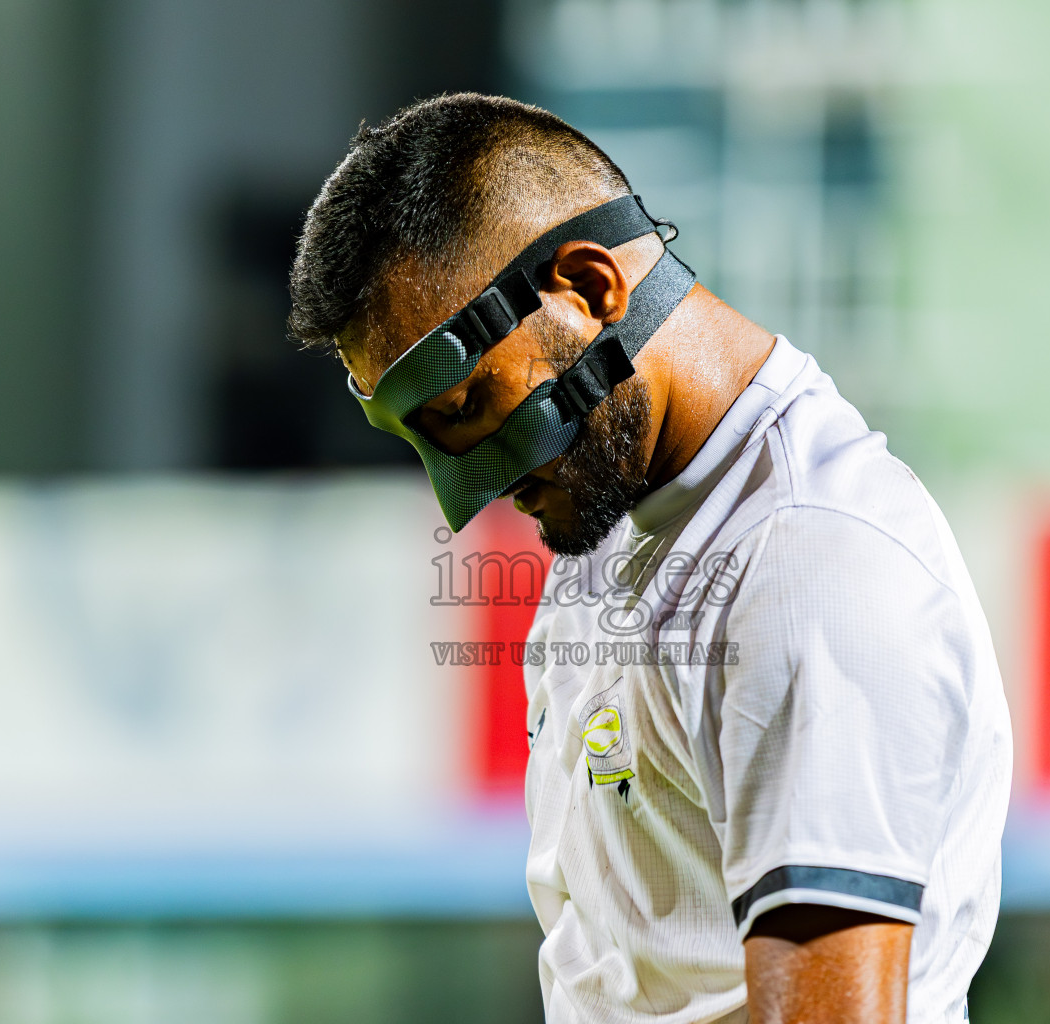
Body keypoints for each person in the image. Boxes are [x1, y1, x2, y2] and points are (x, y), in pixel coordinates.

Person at [289, 93, 1012, 1024]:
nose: (459, 494)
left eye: (465, 405)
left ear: (590, 290)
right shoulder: (616, 505)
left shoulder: (803, 564)